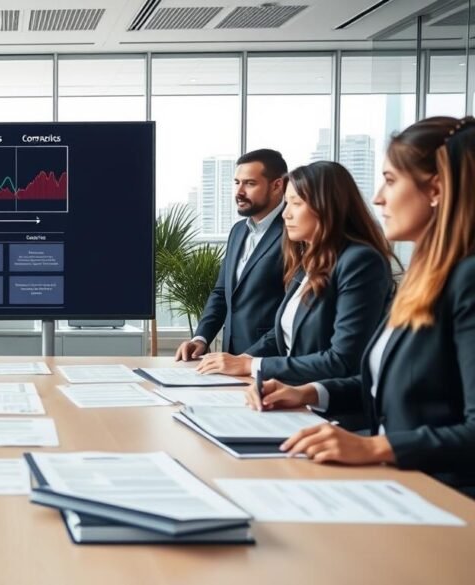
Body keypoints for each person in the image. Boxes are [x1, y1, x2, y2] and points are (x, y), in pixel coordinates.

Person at [247, 116, 475, 497]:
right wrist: (308, 392)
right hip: (398, 482)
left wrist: (374, 446)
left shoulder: (466, 280)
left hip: (444, 497)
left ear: (435, 189)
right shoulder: (426, 278)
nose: (378, 197)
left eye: (390, 180)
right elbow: (387, 389)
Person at [197, 161, 395, 384]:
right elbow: (282, 332)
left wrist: (250, 364)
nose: (285, 214)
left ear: (326, 206)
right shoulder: (309, 261)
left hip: (329, 407)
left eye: (296, 203)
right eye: (286, 203)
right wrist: (240, 360)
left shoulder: (360, 262)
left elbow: (343, 360)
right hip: (293, 393)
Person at [175, 149, 288, 361]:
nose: (239, 191)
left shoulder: (295, 232)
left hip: (272, 362)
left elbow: (294, 312)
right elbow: (222, 293)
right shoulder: (238, 231)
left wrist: (247, 359)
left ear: (277, 185)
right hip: (231, 360)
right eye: (237, 182)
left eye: (250, 183)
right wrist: (200, 338)